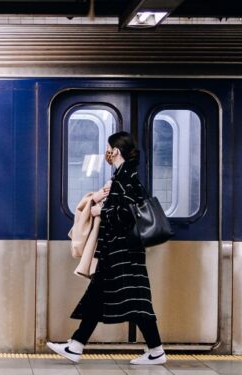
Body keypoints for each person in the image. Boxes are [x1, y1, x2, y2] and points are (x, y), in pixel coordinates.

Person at [47, 131, 166, 365]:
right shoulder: (124, 176)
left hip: (123, 252)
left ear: (116, 151)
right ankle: (77, 345)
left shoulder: (125, 178)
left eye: (109, 148)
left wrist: (100, 210)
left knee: (134, 299)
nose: (107, 153)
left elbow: (126, 214)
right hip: (120, 252)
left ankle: (156, 350)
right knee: (104, 297)